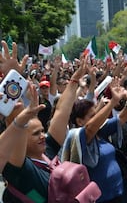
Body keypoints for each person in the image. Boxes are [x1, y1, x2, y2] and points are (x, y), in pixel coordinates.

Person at [1, 42, 87, 202]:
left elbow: (61, 113)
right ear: (19, 140)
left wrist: (74, 80)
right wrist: (11, 79)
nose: (43, 136)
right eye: (35, 133)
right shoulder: (18, 170)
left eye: (42, 131)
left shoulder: (47, 154)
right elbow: (16, 121)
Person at [64, 77, 127, 203]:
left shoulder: (101, 131)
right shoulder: (78, 137)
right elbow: (89, 128)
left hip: (120, 193)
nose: (97, 118)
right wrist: (113, 102)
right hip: (101, 199)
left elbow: (121, 119)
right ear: (79, 121)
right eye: (92, 116)